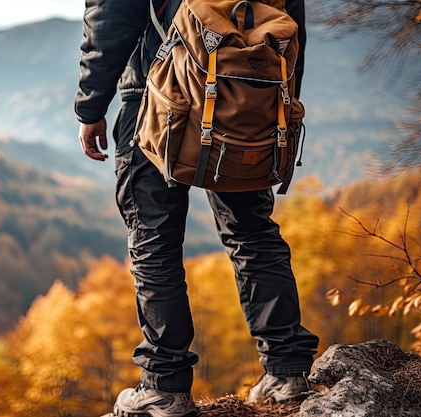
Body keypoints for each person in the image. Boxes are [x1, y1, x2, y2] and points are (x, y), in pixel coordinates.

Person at [74, 1, 319, 416]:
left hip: (158, 97)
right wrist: (273, 100)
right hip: (248, 96)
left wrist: (90, 107)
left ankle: (164, 385)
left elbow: (111, 16)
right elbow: (290, 19)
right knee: (252, 232)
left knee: (154, 242)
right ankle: (286, 371)